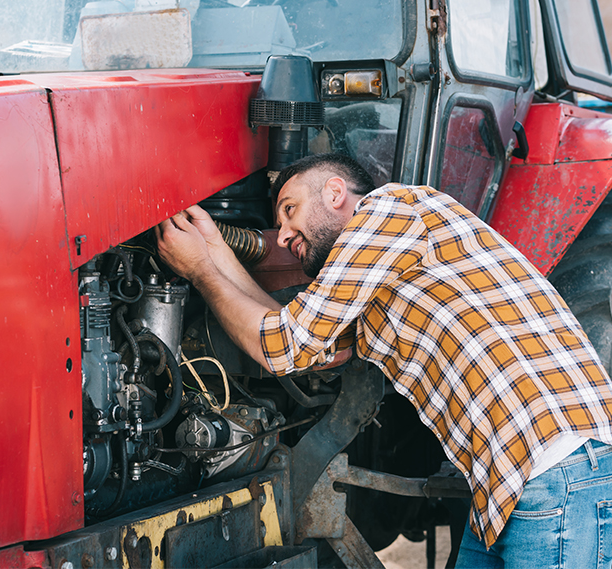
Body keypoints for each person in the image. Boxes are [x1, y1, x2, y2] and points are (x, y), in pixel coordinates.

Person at [154, 152, 612, 568]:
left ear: (335, 192)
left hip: (555, 468)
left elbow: (282, 346)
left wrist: (200, 272)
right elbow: (298, 339)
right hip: (507, 483)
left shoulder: (389, 210)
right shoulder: (385, 270)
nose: (285, 234)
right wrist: (213, 254)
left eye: (290, 209)